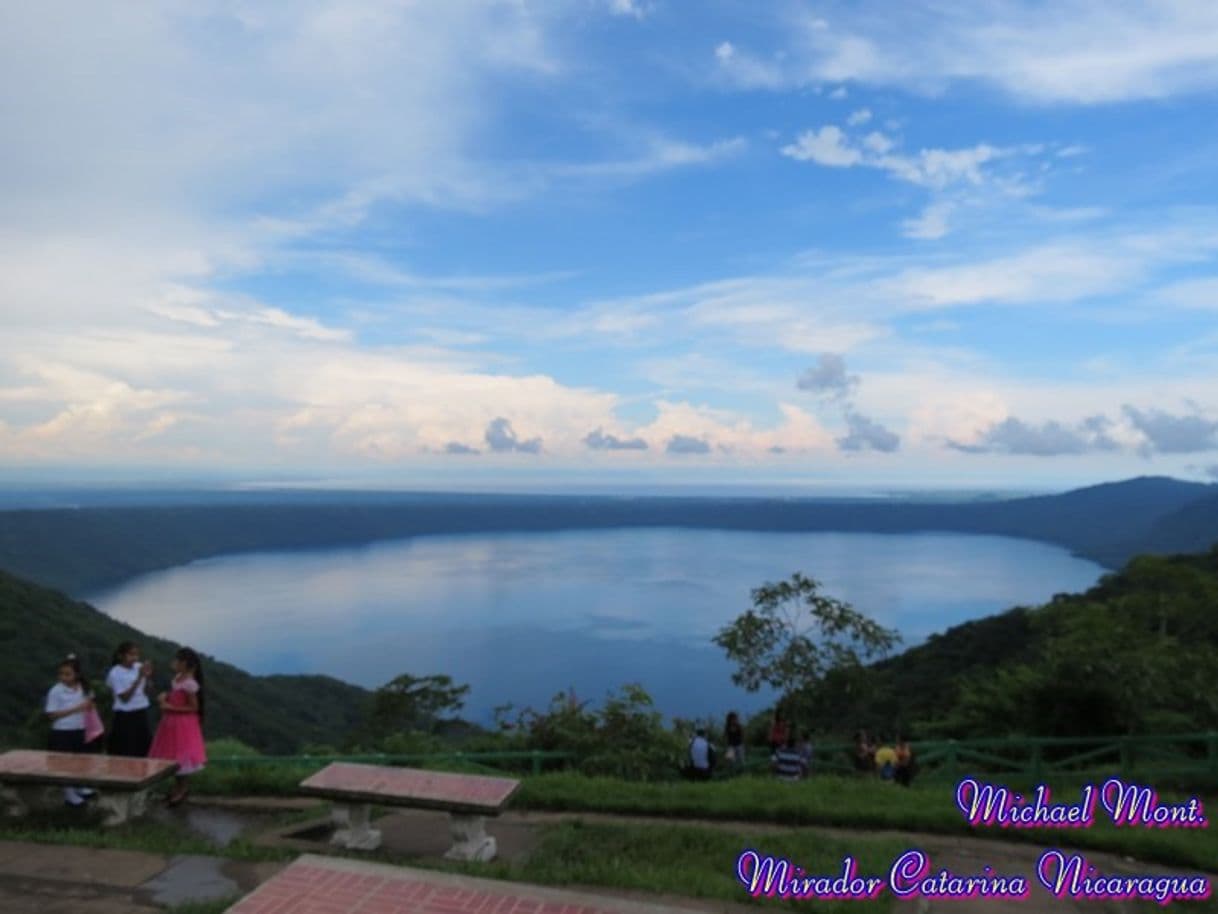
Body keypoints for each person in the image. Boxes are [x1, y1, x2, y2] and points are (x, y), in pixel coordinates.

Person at [148, 647, 207, 806]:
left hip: (182, 725)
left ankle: (182, 789)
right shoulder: (178, 678)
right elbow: (177, 697)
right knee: (174, 758)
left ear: (185, 664)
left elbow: (194, 707)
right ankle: (178, 787)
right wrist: (167, 698)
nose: (173, 662)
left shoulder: (189, 683)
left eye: (177, 660)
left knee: (182, 758)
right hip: (172, 723)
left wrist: (169, 707)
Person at [44, 655, 96, 807]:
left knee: (79, 761)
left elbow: (90, 704)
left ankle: (79, 786)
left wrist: (89, 706)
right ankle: (69, 794)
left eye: (68, 674)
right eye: (61, 674)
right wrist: (76, 708)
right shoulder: (56, 691)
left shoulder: (84, 687)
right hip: (62, 731)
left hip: (80, 729)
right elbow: (51, 715)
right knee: (63, 764)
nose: (64, 677)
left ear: (77, 675)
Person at [106, 641, 153, 757]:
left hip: (141, 712)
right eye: (131, 654)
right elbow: (124, 698)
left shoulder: (139, 667)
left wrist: (147, 678)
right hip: (125, 715)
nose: (134, 658)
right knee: (125, 750)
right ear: (121, 655)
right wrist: (139, 678)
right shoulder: (115, 673)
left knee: (144, 749)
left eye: (136, 655)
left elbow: (148, 692)